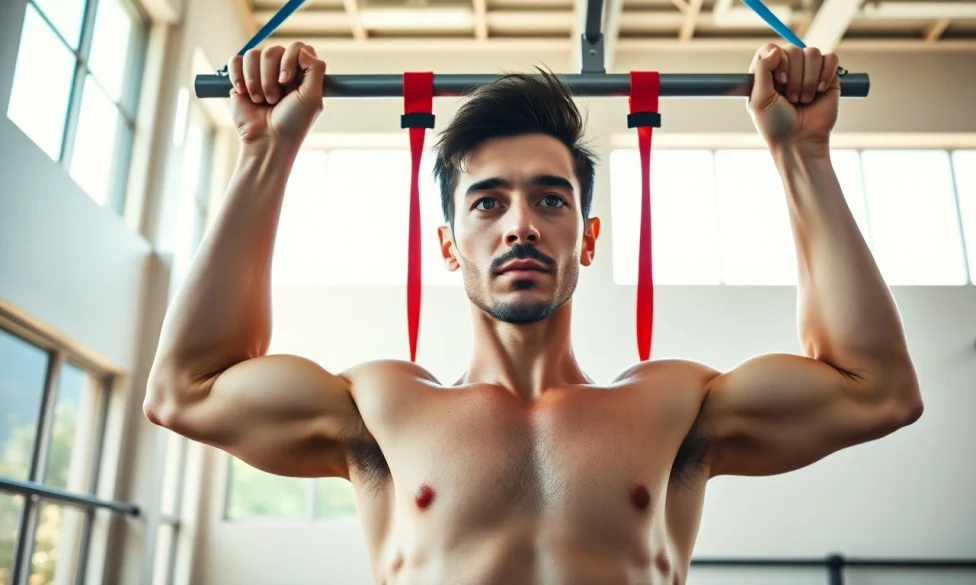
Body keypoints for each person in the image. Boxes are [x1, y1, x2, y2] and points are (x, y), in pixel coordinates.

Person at [144, 41, 923, 584]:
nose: (521, 224)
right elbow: (186, 390)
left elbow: (877, 390)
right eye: (488, 202)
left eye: (551, 199)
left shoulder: (672, 407)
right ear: (449, 245)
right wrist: (264, 151)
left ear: (587, 237)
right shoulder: (382, 409)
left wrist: (803, 155)